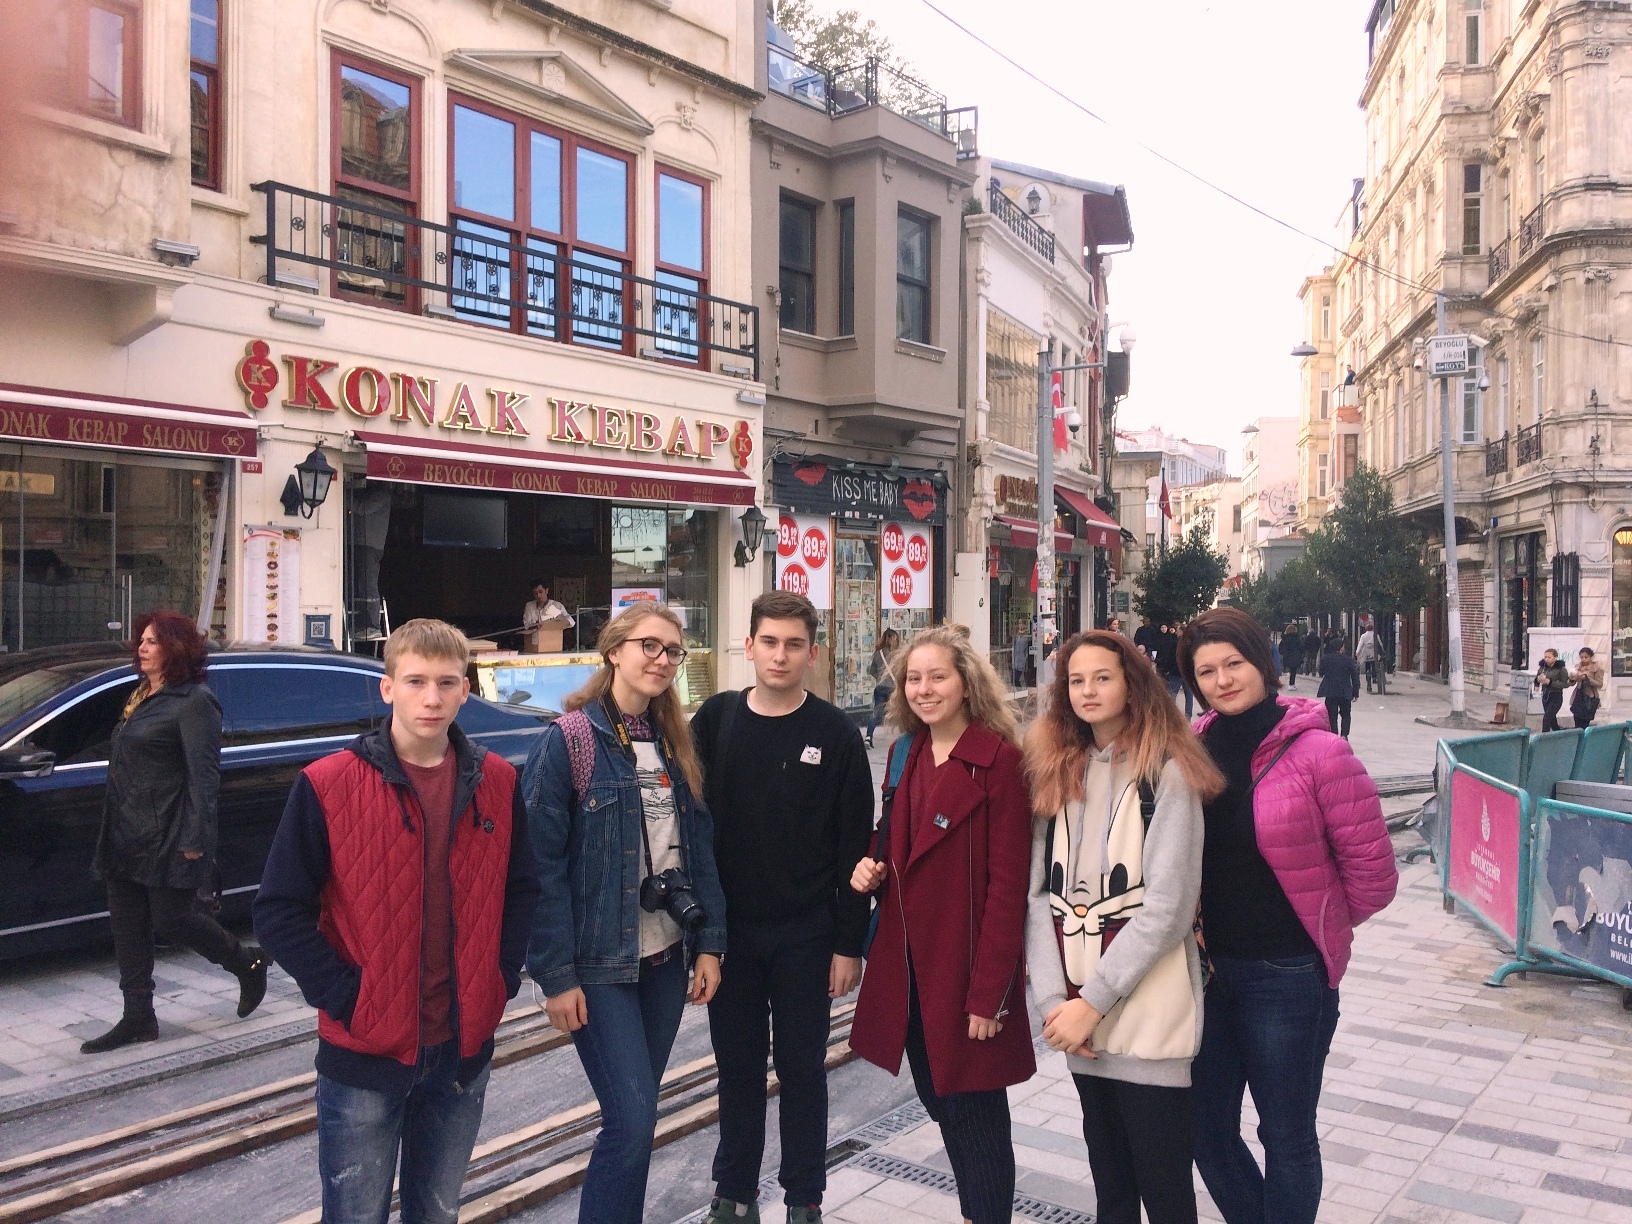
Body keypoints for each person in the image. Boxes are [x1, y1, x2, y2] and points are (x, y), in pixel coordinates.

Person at [254, 619, 540, 1224]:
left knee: (436, 1213)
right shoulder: (328, 784)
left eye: (446, 683)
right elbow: (278, 909)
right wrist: (344, 995)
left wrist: (499, 980)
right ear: (387, 689)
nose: (431, 698)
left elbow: (521, 888)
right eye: (415, 681)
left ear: (465, 690)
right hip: (364, 1052)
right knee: (355, 1215)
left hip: (461, 1049)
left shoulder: (497, 781)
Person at [1176, 608, 1395, 1224]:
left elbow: (1374, 878)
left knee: (1286, 1134)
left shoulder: (1322, 752)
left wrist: (1311, 927)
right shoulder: (1189, 751)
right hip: (1206, 973)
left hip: (1288, 976)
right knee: (1204, 1130)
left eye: (1234, 664)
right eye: (1206, 672)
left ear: (1263, 663)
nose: (1222, 680)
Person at [523, 601, 727, 1224]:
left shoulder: (673, 741)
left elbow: (699, 849)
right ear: (614, 650)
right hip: (599, 965)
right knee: (632, 1120)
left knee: (637, 1120)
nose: (662, 660)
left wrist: (710, 943)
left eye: (673, 651)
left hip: (665, 957)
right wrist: (555, 976)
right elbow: (539, 868)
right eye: (649, 646)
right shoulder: (570, 741)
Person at [1022, 631, 1225, 1224]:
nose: (1087, 691)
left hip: (1147, 1019)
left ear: (1133, 685)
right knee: (1110, 1189)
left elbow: (1168, 908)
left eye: (1102, 678)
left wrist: (1091, 1003)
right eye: (1076, 681)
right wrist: (1054, 1004)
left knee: (1164, 1193)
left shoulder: (1167, 774)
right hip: (1078, 1019)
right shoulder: (1057, 770)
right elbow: (1038, 897)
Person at [692, 591, 875, 1224]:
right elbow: (690, 830)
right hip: (730, 938)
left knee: (803, 1072)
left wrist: (849, 945)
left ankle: (804, 1199)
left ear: (812, 653)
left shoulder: (836, 734)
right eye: (769, 642)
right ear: (748, 646)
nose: (780, 655)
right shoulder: (715, 721)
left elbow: (856, 847)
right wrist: (702, 939)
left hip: (807, 935)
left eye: (794, 644)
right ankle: (734, 1194)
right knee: (737, 1071)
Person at [849, 625, 1035, 1224]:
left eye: (938, 677)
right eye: (913, 678)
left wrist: (990, 994)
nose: (924, 689)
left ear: (966, 684)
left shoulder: (999, 762)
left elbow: (1009, 889)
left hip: (964, 968)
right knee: (942, 1102)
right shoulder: (905, 752)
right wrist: (871, 864)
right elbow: (894, 836)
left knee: (976, 1116)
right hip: (907, 969)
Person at [82, 612, 269, 1053]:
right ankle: (138, 1017)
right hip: (124, 832)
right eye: (142, 640)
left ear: (176, 649)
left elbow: (204, 779)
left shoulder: (194, 702)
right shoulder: (143, 695)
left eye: (153, 642)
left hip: (166, 833)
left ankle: (247, 962)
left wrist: (196, 841)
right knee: (127, 925)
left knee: (173, 919)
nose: (142, 648)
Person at [1317, 639, 1360, 739]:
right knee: (1346, 714)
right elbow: (1354, 676)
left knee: (1332, 716)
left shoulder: (1325, 658)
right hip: (1345, 690)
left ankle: (1334, 735)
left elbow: (1321, 672)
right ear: (1341, 647)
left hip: (1330, 691)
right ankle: (1344, 735)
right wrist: (1355, 692)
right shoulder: (1348, 660)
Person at [865, 628, 901, 749]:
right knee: (901, 712)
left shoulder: (878, 653)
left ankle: (868, 737)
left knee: (876, 713)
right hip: (893, 688)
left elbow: (872, 670)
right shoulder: (897, 654)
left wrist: (881, 678)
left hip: (880, 687)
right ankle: (905, 738)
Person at [522, 579, 575, 652]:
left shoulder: (557, 605)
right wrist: (537, 625)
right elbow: (526, 625)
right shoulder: (529, 606)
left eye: (540, 592)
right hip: (534, 644)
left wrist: (559, 618)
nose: (538, 595)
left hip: (553, 643)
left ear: (546, 591)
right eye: (535, 593)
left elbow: (571, 622)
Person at [1156, 622, 1192, 718]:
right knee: (1189, 695)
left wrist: (1166, 669)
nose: (1176, 632)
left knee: (1172, 694)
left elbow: (1171, 657)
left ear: (1181, 631)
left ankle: (1172, 715)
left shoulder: (1176, 643)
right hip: (1188, 673)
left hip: (1176, 672)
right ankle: (1188, 716)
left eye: (1178, 630)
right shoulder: (1191, 643)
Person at [1570, 647, 1606, 729]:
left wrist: (1586, 678)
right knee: (1577, 720)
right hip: (1578, 695)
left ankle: (1584, 736)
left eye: (1586, 657)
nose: (1583, 659)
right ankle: (1579, 736)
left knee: (1585, 721)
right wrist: (1572, 678)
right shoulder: (1577, 667)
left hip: (1589, 696)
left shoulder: (1597, 668)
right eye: (1581, 657)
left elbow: (1599, 684)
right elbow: (1571, 683)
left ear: (1591, 657)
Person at [1535, 648, 1569, 733]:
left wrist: (1550, 682)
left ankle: (1544, 736)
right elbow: (1537, 677)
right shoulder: (1543, 667)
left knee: (1547, 718)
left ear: (1555, 658)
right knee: (1551, 719)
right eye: (1545, 657)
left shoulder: (1561, 669)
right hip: (1545, 695)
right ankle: (1557, 731)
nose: (1546, 659)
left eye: (1549, 657)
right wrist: (1537, 683)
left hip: (1556, 695)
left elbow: (1565, 684)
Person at [1356, 622, 1380, 694]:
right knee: (1374, 665)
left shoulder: (1363, 636)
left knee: (1367, 665)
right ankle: (1374, 677)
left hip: (1366, 652)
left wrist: (1357, 652)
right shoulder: (1375, 635)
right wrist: (1381, 650)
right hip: (1374, 652)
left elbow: (1360, 644)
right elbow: (1379, 643)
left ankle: (1368, 677)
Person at [1278, 624, 1304, 690]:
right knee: (1293, 670)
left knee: (1290, 669)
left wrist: (1284, 653)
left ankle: (1290, 683)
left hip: (1287, 656)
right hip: (1295, 656)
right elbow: (1301, 647)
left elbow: (1280, 648)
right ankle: (1292, 684)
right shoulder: (1296, 638)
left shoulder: (1284, 639)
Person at [1010, 625, 1031, 690]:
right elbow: (1014, 650)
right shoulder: (1016, 638)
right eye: (1020, 629)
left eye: (1022, 629)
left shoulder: (1026, 639)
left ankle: (1020, 691)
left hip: (1021, 663)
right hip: (1015, 662)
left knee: (1017, 679)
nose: (1020, 631)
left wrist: (1024, 662)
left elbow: (1026, 652)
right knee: (1013, 680)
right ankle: (1019, 691)